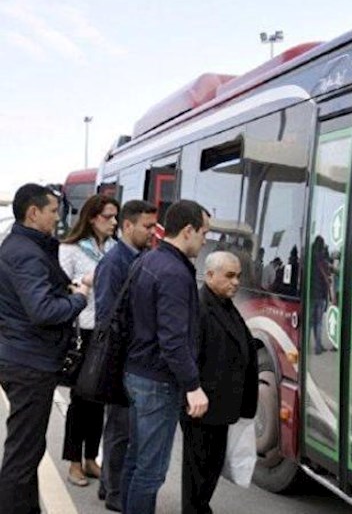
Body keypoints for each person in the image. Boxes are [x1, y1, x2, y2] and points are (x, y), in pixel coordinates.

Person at [0, 183, 89, 513]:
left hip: (24, 356)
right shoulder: (26, 253)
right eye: (53, 211)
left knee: (28, 449)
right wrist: (79, 298)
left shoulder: (23, 246)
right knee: (23, 455)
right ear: (33, 212)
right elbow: (43, 311)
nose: (58, 217)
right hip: (29, 363)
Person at [121, 199, 211, 514]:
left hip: (137, 371)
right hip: (158, 381)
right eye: (204, 233)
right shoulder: (174, 273)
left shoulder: (148, 260)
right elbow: (173, 340)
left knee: (136, 459)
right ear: (188, 230)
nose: (205, 241)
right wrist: (193, 385)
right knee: (151, 470)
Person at [181, 251, 259, 514]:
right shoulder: (200, 307)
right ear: (210, 275)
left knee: (212, 464)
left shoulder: (225, 305)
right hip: (204, 404)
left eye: (238, 276)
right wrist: (193, 392)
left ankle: (201, 507)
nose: (236, 282)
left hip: (223, 404)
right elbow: (190, 356)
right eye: (230, 276)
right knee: (198, 467)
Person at [94, 200, 158, 512]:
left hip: (134, 356)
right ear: (128, 226)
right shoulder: (113, 262)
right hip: (120, 357)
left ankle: (110, 484)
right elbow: (106, 315)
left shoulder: (143, 258)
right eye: (147, 226)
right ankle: (114, 491)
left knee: (128, 428)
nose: (152, 232)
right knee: (119, 429)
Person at [59, 194, 120, 488]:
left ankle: (91, 458)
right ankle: (74, 461)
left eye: (116, 216)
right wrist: (84, 282)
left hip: (106, 330)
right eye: (108, 216)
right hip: (81, 330)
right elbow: (61, 285)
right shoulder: (70, 248)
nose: (114, 222)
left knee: (99, 398)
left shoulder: (114, 248)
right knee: (81, 399)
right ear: (93, 217)